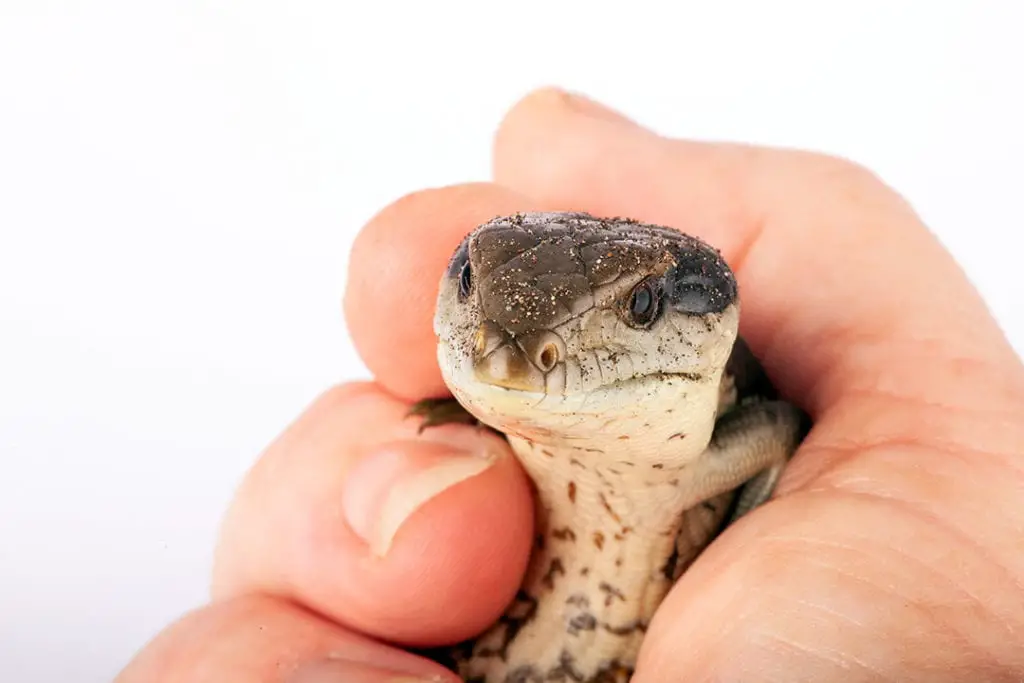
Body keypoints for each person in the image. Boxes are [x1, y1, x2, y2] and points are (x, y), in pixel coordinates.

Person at [116, 88, 1024, 682]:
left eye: (634, 313)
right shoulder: (489, 440)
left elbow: (778, 430)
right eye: (475, 289)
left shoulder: (737, 441)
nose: (515, 354)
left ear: (705, 323)